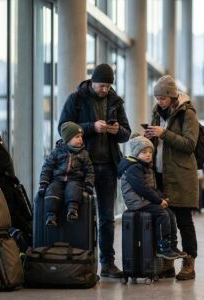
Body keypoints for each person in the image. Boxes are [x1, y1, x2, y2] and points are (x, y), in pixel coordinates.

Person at [58, 63, 131, 278]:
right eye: (102, 85)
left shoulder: (115, 102)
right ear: (92, 81)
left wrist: (117, 131)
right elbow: (63, 127)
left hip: (108, 166)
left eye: (108, 86)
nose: (105, 90)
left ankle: (107, 263)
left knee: (107, 218)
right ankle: (82, 261)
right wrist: (91, 127)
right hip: (81, 166)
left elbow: (126, 133)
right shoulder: (76, 99)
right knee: (81, 216)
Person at [145, 75, 199, 280]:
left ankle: (189, 262)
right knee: (165, 220)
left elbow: (189, 144)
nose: (159, 101)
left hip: (181, 175)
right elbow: (156, 141)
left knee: (184, 221)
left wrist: (163, 133)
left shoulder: (188, 114)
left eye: (162, 98)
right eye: (157, 98)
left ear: (172, 96)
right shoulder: (157, 113)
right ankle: (168, 263)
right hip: (159, 174)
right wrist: (147, 137)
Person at [118, 134, 185, 259]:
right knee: (162, 214)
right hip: (137, 203)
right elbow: (141, 188)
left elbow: (151, 188)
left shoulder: (145, 166)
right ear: (136, 153)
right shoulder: (133, 168)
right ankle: (162, 247)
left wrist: (162, 197)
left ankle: (171, 245)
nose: (148, 154)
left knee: (170, 213)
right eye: (144, 152)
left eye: (150, 151)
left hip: (144, 200)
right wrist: (158, 200)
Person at [38, 122, 94, 226]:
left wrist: (88, 184)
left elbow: (89, 171)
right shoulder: (57, 152)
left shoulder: (84, 154)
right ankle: (51, 215)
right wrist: (43, 183)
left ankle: (72, 210)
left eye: (81, 137)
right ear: (68, 139)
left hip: (75, 179)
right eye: (77, 137)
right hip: (57, 180)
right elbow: (47, 167)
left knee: (73, 188)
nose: (80, 139)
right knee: (52, 190)